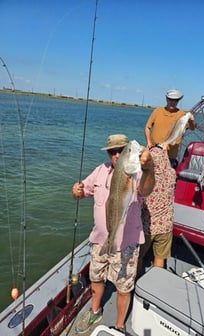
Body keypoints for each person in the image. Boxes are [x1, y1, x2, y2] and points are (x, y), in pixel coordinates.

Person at [72, 134, 155, 334]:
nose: (117, 155)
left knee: (123, 288)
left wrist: (149, 167)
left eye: (121, 150)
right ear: (108, 153)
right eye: (113, 151)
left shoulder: (136, 172)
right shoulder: (100, 170)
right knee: (96, 278)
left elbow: (146, 189)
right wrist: (76, 190)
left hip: (126, 244)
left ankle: (119, 325)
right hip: (100, 240)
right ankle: (94, 310)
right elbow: (82, 191)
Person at [138, 146, 176, 275]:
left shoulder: (148, 180)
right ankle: (155, 282)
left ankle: (135, 281)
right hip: (166, 226)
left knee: (138, 257)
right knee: (159, 258)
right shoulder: (172, 174)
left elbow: (142, 202)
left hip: (147, 226)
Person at [144, 89, 195, 168]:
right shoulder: (157, 111)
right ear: (166, 99)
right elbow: (147, 127)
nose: (173, 102)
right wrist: (149, 142)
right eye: (171, 100)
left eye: (176, 100)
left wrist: (191, 121)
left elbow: (192, 128)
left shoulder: (182, 114)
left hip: (170, 155)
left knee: (166, 178)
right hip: (153, 150)